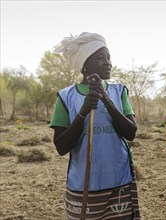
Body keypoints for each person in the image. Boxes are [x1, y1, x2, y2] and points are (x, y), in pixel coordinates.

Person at [50, 32, 141, 219]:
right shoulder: (66, 97)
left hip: (119, 182)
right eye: (100, 58)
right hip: (84, 185)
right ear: (84, 65)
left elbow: (130, 133)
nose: (108, 62)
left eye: (109, 57)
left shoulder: (119, 91)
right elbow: (61, 146)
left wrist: (106, 99)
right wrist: (84, 110)